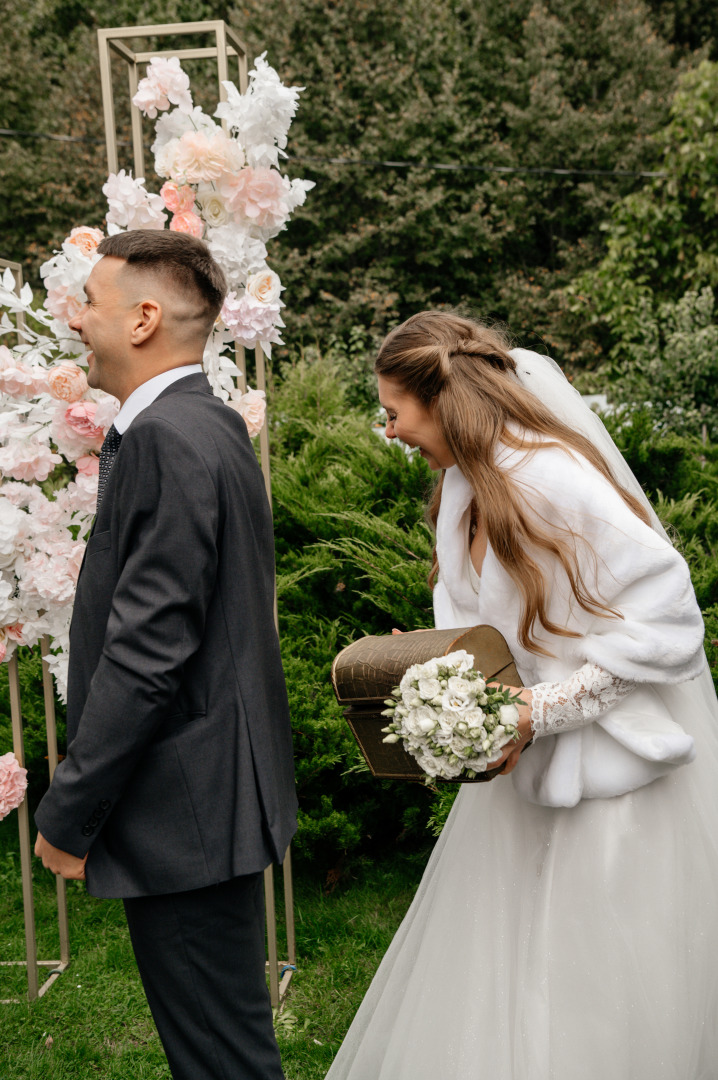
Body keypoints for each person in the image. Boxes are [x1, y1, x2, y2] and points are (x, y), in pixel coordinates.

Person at [325, 310, 718, 1079]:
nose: (390, 430)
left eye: (393, 411)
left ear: (439, 401)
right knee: (502, 983)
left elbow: (670, 619)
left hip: (611, 792)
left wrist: (541, 710)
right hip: (518, 785)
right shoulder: (464, 489)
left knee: (589, 996)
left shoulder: (549, 480)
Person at [33, 230, 296, 1080]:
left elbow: (149, 653)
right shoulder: (210, 424)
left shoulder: (165, 438)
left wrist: (71, 810)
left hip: (185, 807)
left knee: (222, 1062)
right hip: (211, 795)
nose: (76, 322)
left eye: (91, 304)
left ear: (144, 318)